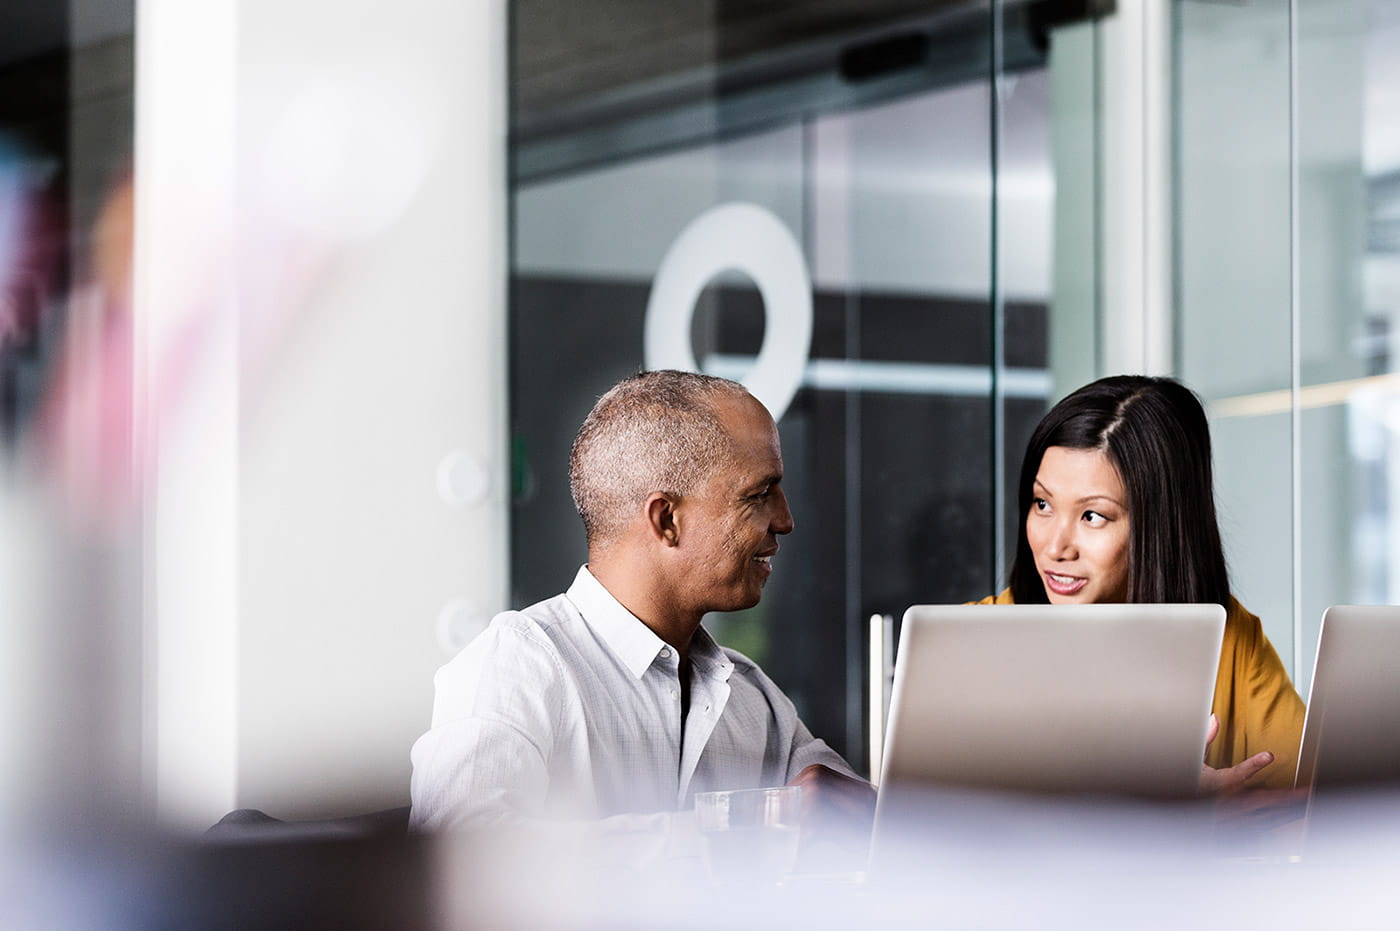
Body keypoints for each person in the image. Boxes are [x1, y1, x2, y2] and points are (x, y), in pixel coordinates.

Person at [409, 370, 874, 860]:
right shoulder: (517, 666)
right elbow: (457, 861)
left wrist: (856, 815)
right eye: (759, 494)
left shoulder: (753, 699)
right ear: (666, 520)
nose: (785, 520)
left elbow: (880, 832)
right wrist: (732, 832)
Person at [977, 374, 1305, 792]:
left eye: (1092, 515)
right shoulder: (977, 639)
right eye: (1042, 504)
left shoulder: (1231, 640)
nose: (1055, 546)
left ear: (1160, 528)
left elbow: (1312, 811)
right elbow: (928, 829)